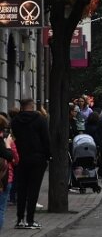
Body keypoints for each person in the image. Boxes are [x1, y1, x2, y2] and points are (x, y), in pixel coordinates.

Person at [11, 98, 50, 229]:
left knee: (22, 189)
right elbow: (46, 138)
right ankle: (30, 219)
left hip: (21, 158)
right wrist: (48, 155)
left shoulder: (15, 121)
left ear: (21, 106)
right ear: (32, 105)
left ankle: (20, 219)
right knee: (34, 189)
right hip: (37, 157)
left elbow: (13, 138)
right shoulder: (40, 120)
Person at [0, 113, 19, 237]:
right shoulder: (3, 141)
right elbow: (11, 157)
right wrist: (7, 144)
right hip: (3, 179)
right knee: (0, 209)